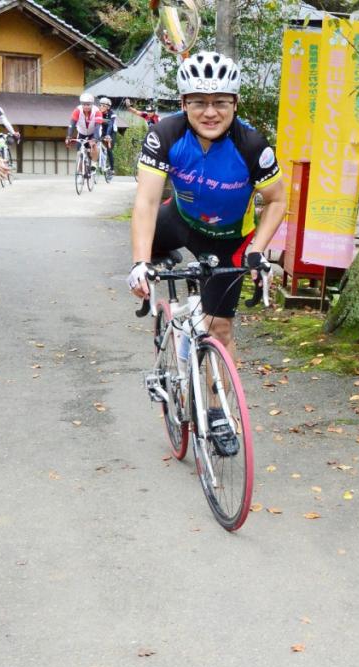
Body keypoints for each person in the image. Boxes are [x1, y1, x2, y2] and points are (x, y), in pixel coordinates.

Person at [127, 51, 286, 454]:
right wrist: (140, 263)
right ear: (183, 104)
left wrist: (259, 250)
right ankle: (171, 318)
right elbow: (146, 202)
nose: (209, 112)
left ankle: (216, 411)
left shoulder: (252, 145)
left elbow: (277, 201)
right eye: (198, 101)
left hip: (230, 240)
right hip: (177, 222)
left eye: (220, 102)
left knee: (220, 330)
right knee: (153, 250)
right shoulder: (164, 134)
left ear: (235, 103)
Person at [65, 93, 104, 173]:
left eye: (88, 104)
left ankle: (93, 163)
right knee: (79, 153)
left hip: (94, 132)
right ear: (81, 104)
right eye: (84, 104)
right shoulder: (77, 110)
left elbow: (97, 127)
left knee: (93, 145)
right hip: (82, 132)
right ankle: (80, 173)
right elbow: (72, 124)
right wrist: (68, 136)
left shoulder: (97, 111)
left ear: (92, 104)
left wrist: (94, 139)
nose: (86, 106)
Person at [98, 97, 117, 162]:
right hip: (103, 131)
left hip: (111, 132)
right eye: (100, 105)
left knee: (109, 150)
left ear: (108, 107)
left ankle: (112, 169)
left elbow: (110, 125)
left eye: (103, 106)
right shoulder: (99, 113)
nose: (101, 107)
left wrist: (108, 135)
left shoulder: (112, 114)